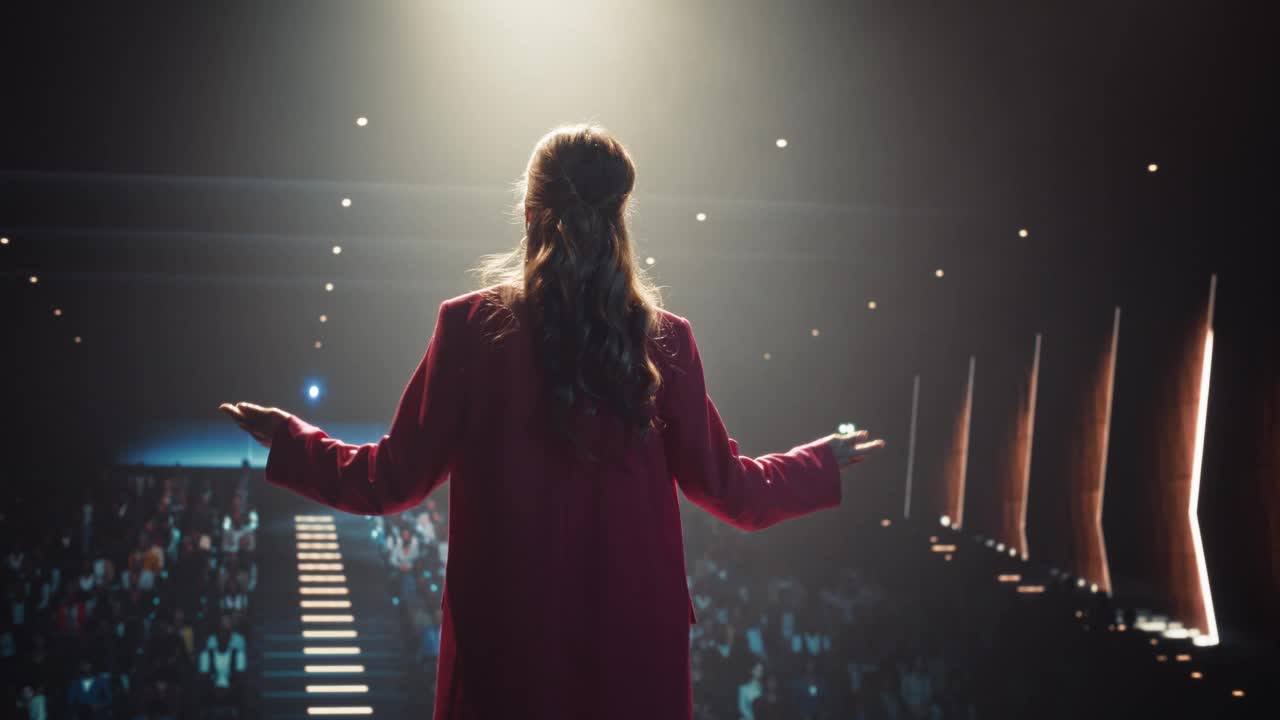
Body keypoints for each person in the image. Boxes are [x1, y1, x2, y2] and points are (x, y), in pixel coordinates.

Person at [218, 122, 885, 720]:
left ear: (530, 213)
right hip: (634, 663)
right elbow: (734, 493)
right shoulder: (666, 343)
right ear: (621, 216)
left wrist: (291, 442)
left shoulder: (470, 330)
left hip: (508, 662)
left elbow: (389, 482)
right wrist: (819, 462)